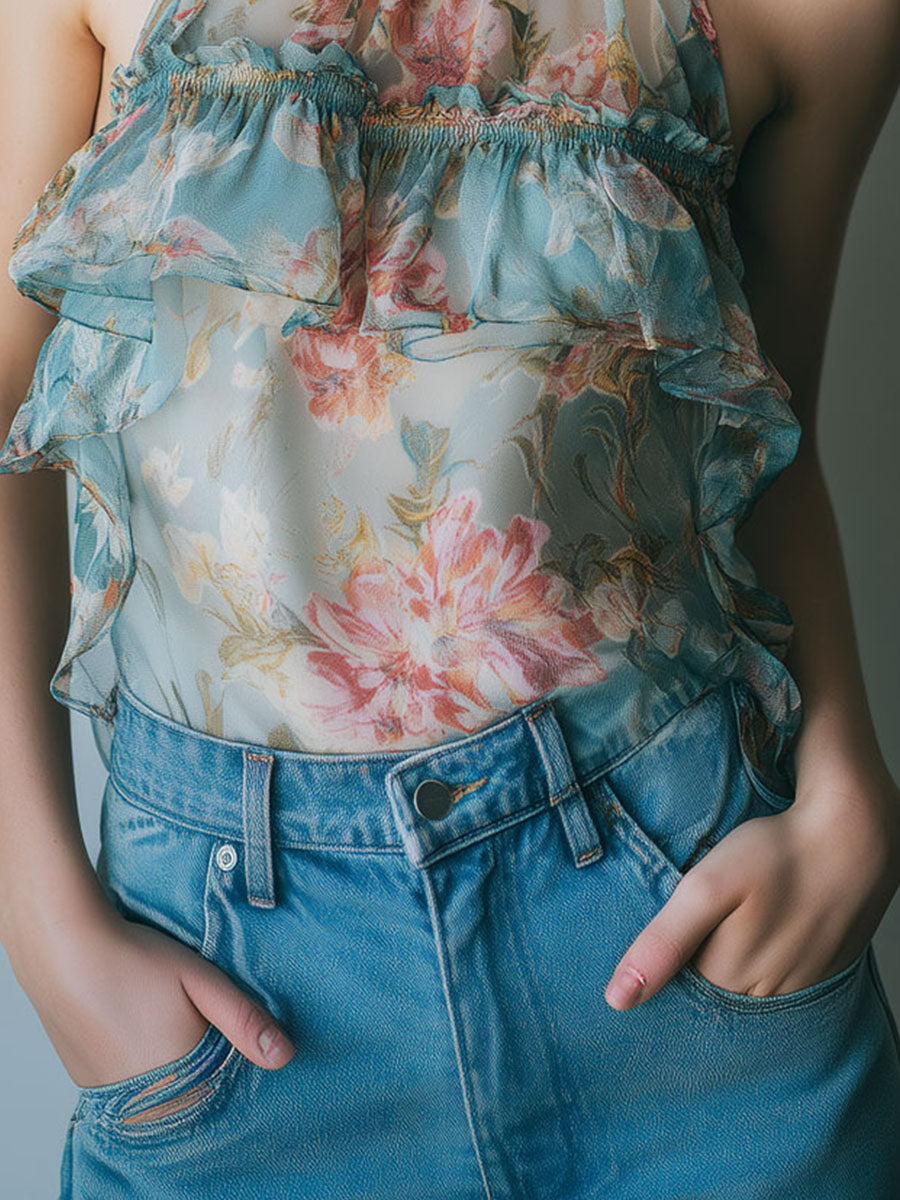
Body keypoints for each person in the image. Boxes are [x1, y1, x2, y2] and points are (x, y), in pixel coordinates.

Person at [1, 0, 899, 1195]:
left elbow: (759, 446)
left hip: (682, 932)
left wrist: (848, 797)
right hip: (230, 979)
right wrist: (40, 921)